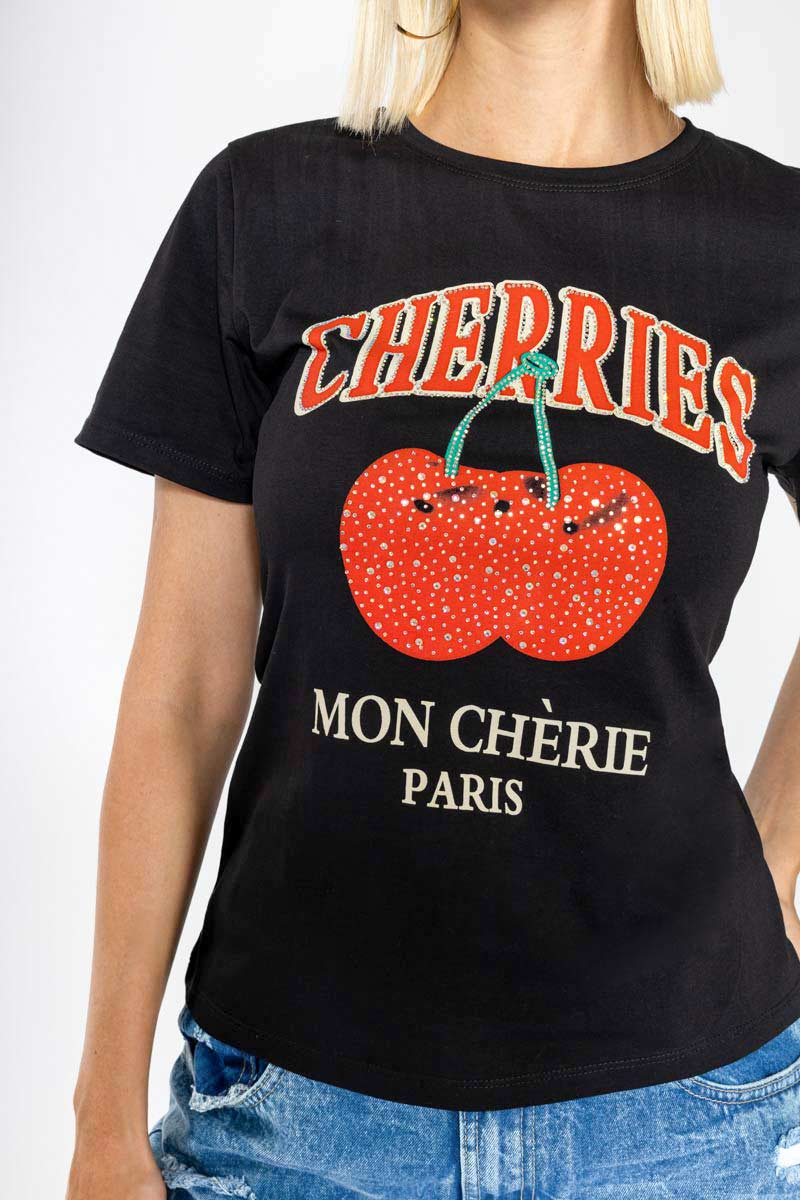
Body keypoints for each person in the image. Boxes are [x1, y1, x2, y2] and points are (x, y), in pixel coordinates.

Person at [67, 1, 800, 1197]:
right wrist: (102, 1118)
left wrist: (774, 848)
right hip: (294, 1115)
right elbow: (180, 692)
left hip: (688, 1120)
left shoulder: (774, 241)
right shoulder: (264, 205)